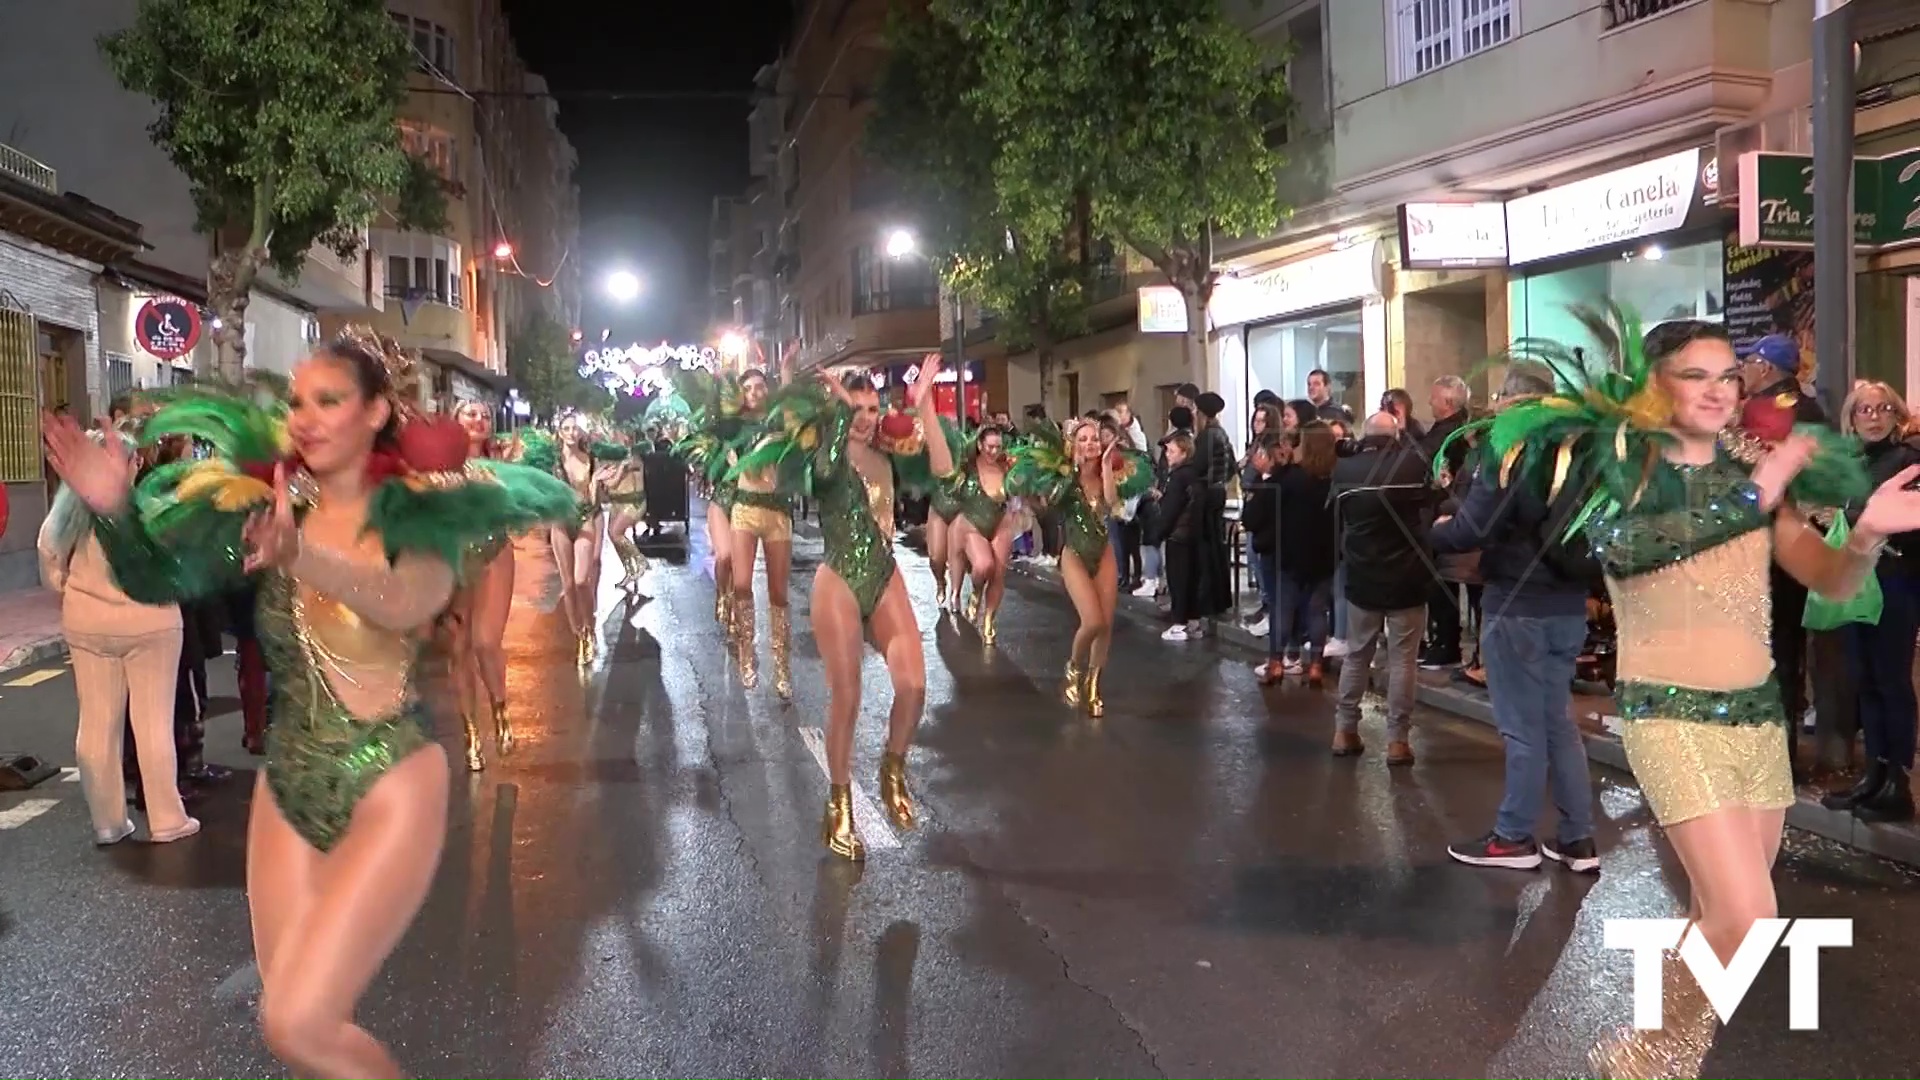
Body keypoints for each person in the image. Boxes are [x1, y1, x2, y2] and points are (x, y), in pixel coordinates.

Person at [41, 330, 577, 1078]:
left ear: (376, 411)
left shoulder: (413, 512)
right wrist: (114, 510)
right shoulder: (265, 508)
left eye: (330, 400)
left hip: (388, 780)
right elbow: (162, 582)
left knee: (300, 1021)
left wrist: (304, 556)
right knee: (292, 1024)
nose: (307, 416)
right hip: (289, 787)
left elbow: (404, 601)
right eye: (298, 401)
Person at [1467, 310, 1920, 1077]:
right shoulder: (1618, 468)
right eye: (1695, 375)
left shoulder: (1754, 474)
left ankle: (1667, 1054)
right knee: (1750, 914)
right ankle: (1641, 1060)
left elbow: (1830, 580)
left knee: (1721, 919)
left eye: (1728, 376)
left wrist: (1869, 533)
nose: (1718, 391)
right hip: (1670, 715)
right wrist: (1761, 489)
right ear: (1653, 386)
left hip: (1755, 720)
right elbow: (1632, 548)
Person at [726, 360, 954, 860]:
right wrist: (836, 415)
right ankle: (839, 804)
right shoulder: (822, 452)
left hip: (884, 574)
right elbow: (826, 474)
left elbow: (943, 470)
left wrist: (924, 407)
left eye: (872, 407)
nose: (867, 416)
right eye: (857, 408)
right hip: (840, 581)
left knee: (914, 686)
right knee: (846, 695)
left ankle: (892, 768)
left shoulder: (890, 452)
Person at [1431, 364, 1600, 873]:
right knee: (1557, 724)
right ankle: (1577, 840)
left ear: (1507, 399)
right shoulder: (1582, 447)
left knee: (1522, 728)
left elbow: (1472, 527)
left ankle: (1513, 837)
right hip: (1569, 603)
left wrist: (1438, 529)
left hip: (1518, 604)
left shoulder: (1510, 447)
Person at [38, 429, 197, 846]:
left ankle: (108, 822)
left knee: (96, 722)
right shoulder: (150, 509)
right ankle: (166, 819)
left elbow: (50, 560)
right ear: (124, 465)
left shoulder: (66, 512)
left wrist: (70, 589)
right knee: (152, 724)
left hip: (87, 622)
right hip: (150, 623)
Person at [1823, 379, 1920, 822]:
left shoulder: (1910, 463)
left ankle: (1898, 781)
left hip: (1897, 583)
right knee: (1864, 680)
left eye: (1883, 408)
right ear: (1852, 417)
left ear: (1896, 414)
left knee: (1891, 680)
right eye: (1865, 410)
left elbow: (1904, 522)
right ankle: (1874, 774)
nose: (1875, 417)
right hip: (1859, 582)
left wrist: (1854, 518)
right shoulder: (1852, 463)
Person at [1009, 415, 1152, 715]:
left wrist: (1105, 471)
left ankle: (1093, 684)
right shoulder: (1063, 477)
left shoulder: (1106, 473)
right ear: (1074, 445)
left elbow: (1112, 505)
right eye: (1083, 439)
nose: (1090, 444)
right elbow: (1051, 503)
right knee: (1093, 621)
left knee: (1106, 624)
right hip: (1073, 553)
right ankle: (1074, 668)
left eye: (1095, 439)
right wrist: (1069, 472)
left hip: (1103, 553)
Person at [1738, 333, 1827, 781]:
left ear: (1767, 367)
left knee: (1774, 651)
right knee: (1778, 650)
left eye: (1748, 362)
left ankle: (1777, 756)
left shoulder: (1777, 410)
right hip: (1782, 548)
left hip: (1774, 550)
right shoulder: (1801, 407)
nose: (1742, 371)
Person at [1330, 411, 1434, 764]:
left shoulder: (1344, 470)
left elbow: (1337, 520)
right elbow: (1432, 509)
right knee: (1403, 659)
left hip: (1362, 575)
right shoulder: (1413, 467)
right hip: (1406, 577)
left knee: (1357, 654)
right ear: (1396, 436)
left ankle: (1345, 730)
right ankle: (1397, 741)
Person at [449, 400, 519, 771]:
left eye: (485, 415)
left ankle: (500, 709)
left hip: (494, 552)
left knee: (486, 642)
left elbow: (521, 505)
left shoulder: (504, 465)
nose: (478, 420)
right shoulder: (439, 466)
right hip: (453, 557)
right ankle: (471, 734)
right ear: (455, 420)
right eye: (470, 413)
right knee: (458, 648)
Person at [1266, 422, 1339, 687]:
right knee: (1317, 611)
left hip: (1291, 550)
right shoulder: (1333, 479)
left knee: (1283, 608)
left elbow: (1268, 504)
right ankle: (1316, 665)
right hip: (1324, 552)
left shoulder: (1291, 477)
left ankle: (1275, 663)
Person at [946, 424, 1015, 643]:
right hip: (972, 523)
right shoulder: (968, 466)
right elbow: (949, 483)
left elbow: (1023, 489)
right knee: (984, 565)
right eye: (989, 447)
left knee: (998, 573)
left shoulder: (1007, 467)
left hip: (1000, 522)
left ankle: (988, 620)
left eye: (998, 447)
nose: (993, 452)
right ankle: (975, 593)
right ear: (979, 445)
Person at [1154, 432, 1206, 642]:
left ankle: (1179, 623)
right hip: (1194, 535)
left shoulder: (1178, 477)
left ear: (1184, 452)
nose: (1167, 454)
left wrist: (1159, 531)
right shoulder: (1195, 474)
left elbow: (1171, 509)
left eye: (1172, 451)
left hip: (1178, 535)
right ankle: (1193, 621)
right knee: (1191, 579)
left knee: (1179, 580)